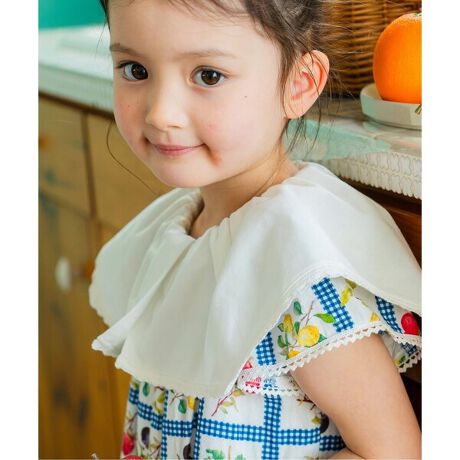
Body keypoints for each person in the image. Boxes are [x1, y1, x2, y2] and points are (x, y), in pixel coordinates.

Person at [88, 1, 422, 459]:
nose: (160, 113)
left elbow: (392, 452)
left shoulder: (299, 269)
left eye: (208, 75)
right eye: (135, 69)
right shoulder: (177, 232)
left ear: (299, 83)